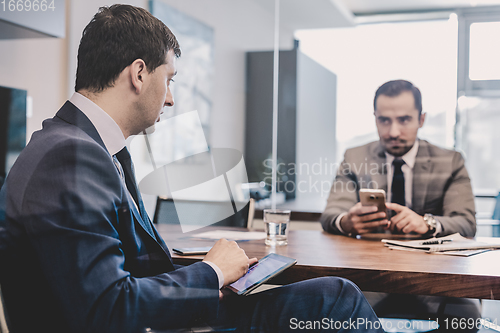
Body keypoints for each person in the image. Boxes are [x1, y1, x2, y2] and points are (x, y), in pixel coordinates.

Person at [0, 5, 382, 333]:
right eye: (168, 80)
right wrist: (212, 271)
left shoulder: (82, 146)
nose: (169, 98)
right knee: (336, 300)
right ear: (138, 74)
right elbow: (108, 309)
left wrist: (216, 274)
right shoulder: (71, 157)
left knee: (327, 299)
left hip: (158, 317)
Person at [320, 79, 479, 330]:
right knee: (332, 311)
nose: (393, 131)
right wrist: (347, 221)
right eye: (384, 120)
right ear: (375, 119)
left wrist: (426, 223)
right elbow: (331, 215)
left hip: (433, 276)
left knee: (465, 316)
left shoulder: (450, 161)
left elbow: (466, 222)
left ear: (421, 119)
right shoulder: (354, 157)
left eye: (404, 120)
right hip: (371, 273)